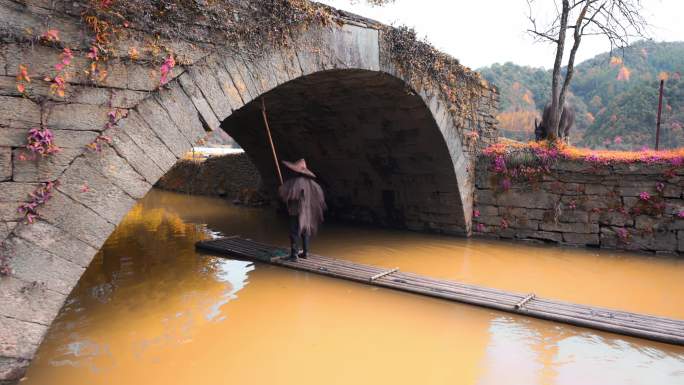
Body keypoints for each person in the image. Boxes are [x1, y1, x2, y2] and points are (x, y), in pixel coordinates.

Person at [278, 159, 326, 261]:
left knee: (294, 232)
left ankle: (294, 255)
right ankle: (305, 253)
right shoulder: (313, 184)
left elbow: (284, 195)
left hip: (296, 211)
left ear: (296, 171)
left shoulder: (293, 183)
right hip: (307, 213)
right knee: (305, 231)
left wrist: (283, 189)